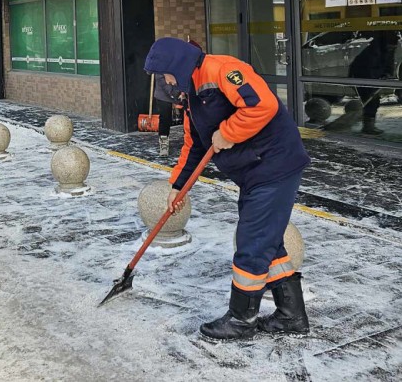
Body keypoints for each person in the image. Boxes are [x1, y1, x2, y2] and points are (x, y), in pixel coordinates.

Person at [144, 37, 311, 341]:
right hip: (254, 172)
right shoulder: (192, 97)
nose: (167, 83)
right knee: (268, 243)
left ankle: (241, 319)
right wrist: (177, 186)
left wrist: (228, 133)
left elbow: (262, 105)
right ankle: (292, 315)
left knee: (253, 241)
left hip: (274, 165)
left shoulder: (223, 71)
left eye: (167, 75)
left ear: (179, 66)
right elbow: (194, 146)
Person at [348, 31, 396, 135]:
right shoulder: (374, 50)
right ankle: (368, 127)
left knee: (372, 101)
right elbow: (369, 66)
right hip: (364, 76)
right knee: (371, 101)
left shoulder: (386, 47)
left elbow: (388, 62)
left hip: (369, 75)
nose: (392, 47)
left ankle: (369, 125)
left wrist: (387, 73)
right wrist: (374, 83)